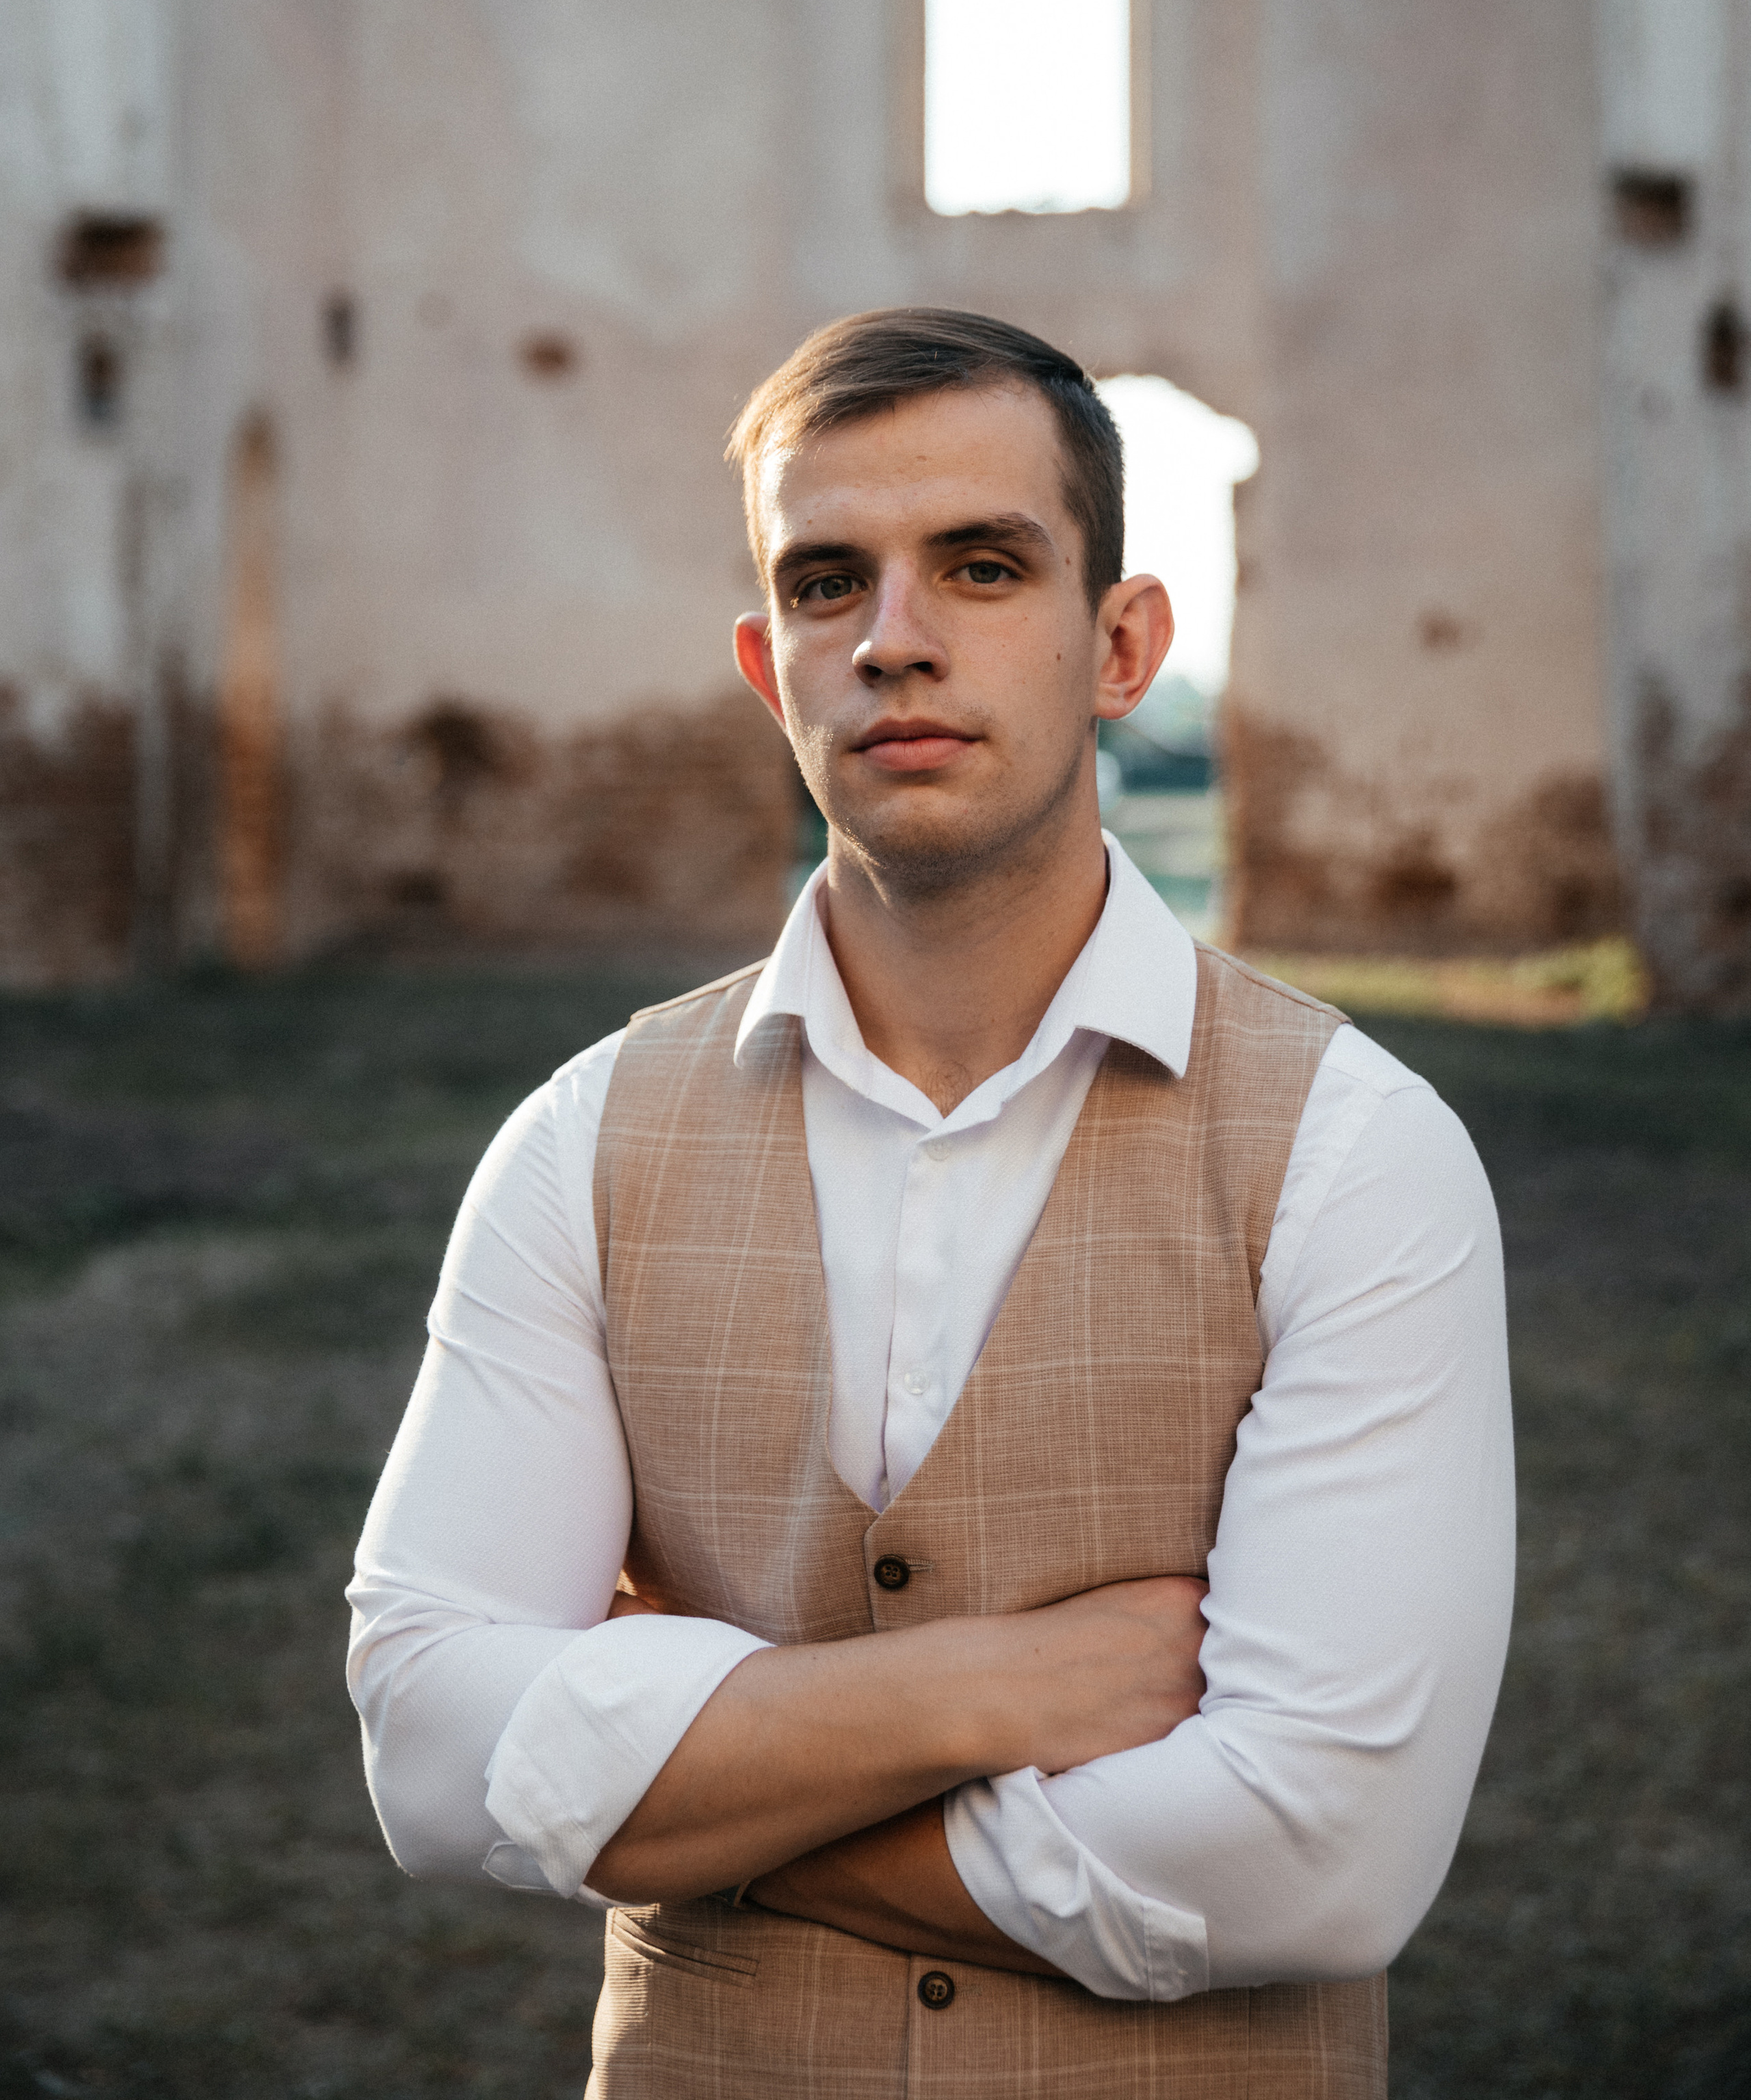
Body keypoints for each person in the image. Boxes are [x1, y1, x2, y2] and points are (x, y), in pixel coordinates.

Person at [347, 307, 1514, 2099]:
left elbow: (1320, 1856)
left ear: (1120, 644)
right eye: (829, 583)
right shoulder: (581, 1143)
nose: (895, 641)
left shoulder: (1357, 1151)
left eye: (980, 566)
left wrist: (674, 1788)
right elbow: (426, 1748)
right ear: (768, 666)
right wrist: (1002, 1693)